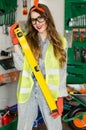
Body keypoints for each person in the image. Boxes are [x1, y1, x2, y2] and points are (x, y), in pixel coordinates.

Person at [10, 1, 68, 130]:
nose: (37, 23)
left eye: (40, 18)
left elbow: (62, 71)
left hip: (49, 92)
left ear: (47, 17)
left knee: (55, 127)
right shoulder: (26, 41)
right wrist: (15, 43)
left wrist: (60, 98)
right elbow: (20, 66)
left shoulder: (60, 42)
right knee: (23, 127)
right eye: (33, 20)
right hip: (28, 90)